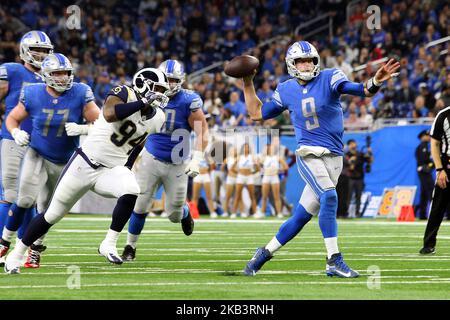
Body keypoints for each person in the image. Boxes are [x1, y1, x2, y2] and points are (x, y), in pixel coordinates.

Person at [241, 40, 399, 277]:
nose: (305, 65)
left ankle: (262, 254)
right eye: (300, 61)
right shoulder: (286, 89)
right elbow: (256, 113)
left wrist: (375, 81)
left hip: (334, 157)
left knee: (301, 217)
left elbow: (361, 90)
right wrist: (247, 82)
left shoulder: (329, 77)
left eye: (309, 60)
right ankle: (333, 260)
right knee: (330, 196)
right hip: (309, 153)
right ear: (291, 64)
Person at [4, 67, 168, 274]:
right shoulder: (124, 93)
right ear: (143, 84)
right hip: (84, 163)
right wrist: (142, 102)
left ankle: (109, 243)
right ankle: (17, 254)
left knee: (132, 188)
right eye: (158, 88)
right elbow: (109, 114)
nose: (162, 94)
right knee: (52, 215)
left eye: (164, 89)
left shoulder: (158, 116)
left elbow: (139, 143)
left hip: (111, 169)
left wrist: (126, 167)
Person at [0, 53, 100, 268]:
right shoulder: (33, 92)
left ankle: (35, 248)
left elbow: (102, 123)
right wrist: (15, 131)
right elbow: (12, 117)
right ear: (46, 75)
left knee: (48, 209)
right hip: (37, 153)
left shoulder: (81, 92)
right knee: (24, 200)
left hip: (65, 160)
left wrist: (85, 128)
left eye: (66, 73)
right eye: (57, 73)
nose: (63, 78)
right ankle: (4, 242)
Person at [122, 60, 209, 261]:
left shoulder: (189, 100)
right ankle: (130, 246)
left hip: (177, 163)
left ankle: (185, 213)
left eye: (174, 80)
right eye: (167, 79)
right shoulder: (146, 96)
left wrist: (197, 159)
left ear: (181, 81)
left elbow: (202, 131)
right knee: (140, 205)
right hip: (151, 158)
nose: (169, 84)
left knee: (173, 215)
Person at [0, 31, 53, 267]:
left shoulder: (53, 75)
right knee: (10, 195)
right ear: (24, 50)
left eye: (45, 50)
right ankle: (3, 247)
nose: (41, 55)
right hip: (13, 138)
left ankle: (25, 249)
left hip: (40, 144)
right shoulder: (11, 70)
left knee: (29, 199)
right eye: (36, 50)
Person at [420, 106, 450, 255]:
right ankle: (428, 244)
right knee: (438, 206)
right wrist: (439, 169)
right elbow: (434, 144)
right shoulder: (443, 115)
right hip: (447, 166)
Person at [230, 143, 260, 218]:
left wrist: (252, 173)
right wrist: (238, 173)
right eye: (244, 148)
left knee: (252, 195)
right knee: (237, 195)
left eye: (247, 148)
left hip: (249, 177)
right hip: (240, 177)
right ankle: (233, 213)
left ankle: (255, 213)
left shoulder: (252, 157)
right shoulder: (239, 157)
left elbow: (258, 168)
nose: (246, 149)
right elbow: (232, 168)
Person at [346, 139, 373, 218]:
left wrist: (369, 152)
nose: (354, 145)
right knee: (348, 196)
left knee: (359, 196)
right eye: (351, 144)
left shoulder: (360, 154)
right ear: (349, 145)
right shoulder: (347, 155)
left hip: (360, 178)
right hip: (350, 178)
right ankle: (346, 212)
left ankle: (357, 213)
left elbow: (369, 161)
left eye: (354, 143)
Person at [260, 143, 289, 218]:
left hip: (274, 177)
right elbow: (258, 166)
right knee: (264, 196)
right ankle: (262, 212)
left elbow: (285, 167)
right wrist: (262, 170)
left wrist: (279, 170)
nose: (271, 150)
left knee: (276, 196)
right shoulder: (263, 158)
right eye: (269, 149)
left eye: (272, 149)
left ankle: (279, 213)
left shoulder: (277, 157)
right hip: (266, 177)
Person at [415, 130, 434, 220]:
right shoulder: (423, 146)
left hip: (425, 171)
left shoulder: (426, 146)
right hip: (424, 172)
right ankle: (435, 213)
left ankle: (422, 214)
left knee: (424, 193)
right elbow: (423, 160)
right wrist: (430, 165)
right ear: (422, 136)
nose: (429, 137)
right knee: (431, 191)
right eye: (427, 135)